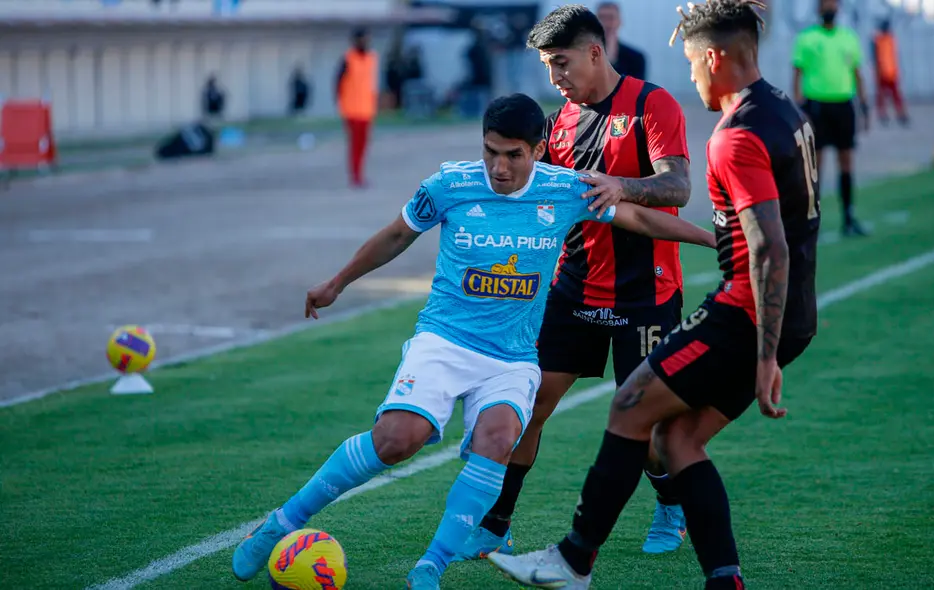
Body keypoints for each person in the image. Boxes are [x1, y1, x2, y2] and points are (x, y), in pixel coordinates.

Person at [230, 93, 716, 590]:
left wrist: (713, 238)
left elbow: (639, 218)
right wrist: (337, 282)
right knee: (397, 441)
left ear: (538, 149)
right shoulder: (450, 185)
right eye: (490, 152)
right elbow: (398, 234)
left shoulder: (566, 188)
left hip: (512, 357)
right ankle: (282, 524)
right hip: (445, 341)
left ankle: (430, 567)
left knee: (499, 439)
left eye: (513, 155)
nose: (499, 167)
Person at [488, 2, 819, 589]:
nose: (690, 75)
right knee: (629, 423)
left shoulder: (688, 117)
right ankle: (501, 525)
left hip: (674, 298)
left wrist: (766, 352)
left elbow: (696, 203)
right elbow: (580, 208)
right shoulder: (785, 111)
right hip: (582, 286)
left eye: (693, 61)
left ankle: (584, 554)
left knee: (640, 416)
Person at [453, 4, 695, 561]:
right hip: (574, 290)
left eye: (561, 63)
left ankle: (671, 505)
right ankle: (496, 523)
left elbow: (678, 187)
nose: (555, 78)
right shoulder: (558, 123)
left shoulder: (650, 104)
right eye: (546, 66)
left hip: (646, 295)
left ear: (594, 50)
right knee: (528, 405)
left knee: (649, 424)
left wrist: (622, 186)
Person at [792, 0, 868, 237]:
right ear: (818, 9)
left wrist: (864, 106)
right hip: (816, 106)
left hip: (844, 105)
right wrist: (799, 107)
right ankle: (812, 220)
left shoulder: (849, 38)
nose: (830, 9)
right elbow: (797, 73)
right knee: (816, 164)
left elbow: (857, 73)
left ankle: (848, 216)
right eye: (826, 4)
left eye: (833, 4)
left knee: (846, 161)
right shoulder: (807, 39)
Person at [337, 28, 379, 188]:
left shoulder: (371, 58)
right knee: (355, 145)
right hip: (352, 110)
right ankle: (356, 175)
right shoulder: (348, 59)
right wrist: (341, 103)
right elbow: (338, 82)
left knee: (363, 145)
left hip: (367, 109)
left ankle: (359, 173)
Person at [872, 18, 908, 127]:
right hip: (883, 73)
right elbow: (875, 57)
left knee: (895, 96)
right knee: (882, 96)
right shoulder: (878, 40)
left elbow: (894, 56)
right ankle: (883, 115)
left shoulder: (890, 39)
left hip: (891, 72)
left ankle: (900, 114)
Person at [597, 1, 647, 80]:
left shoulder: (636, 59)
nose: (606, 23)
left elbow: (637, 90)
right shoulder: (583, 56)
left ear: (619, 22)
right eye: (602, 18)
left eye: (611, 18)